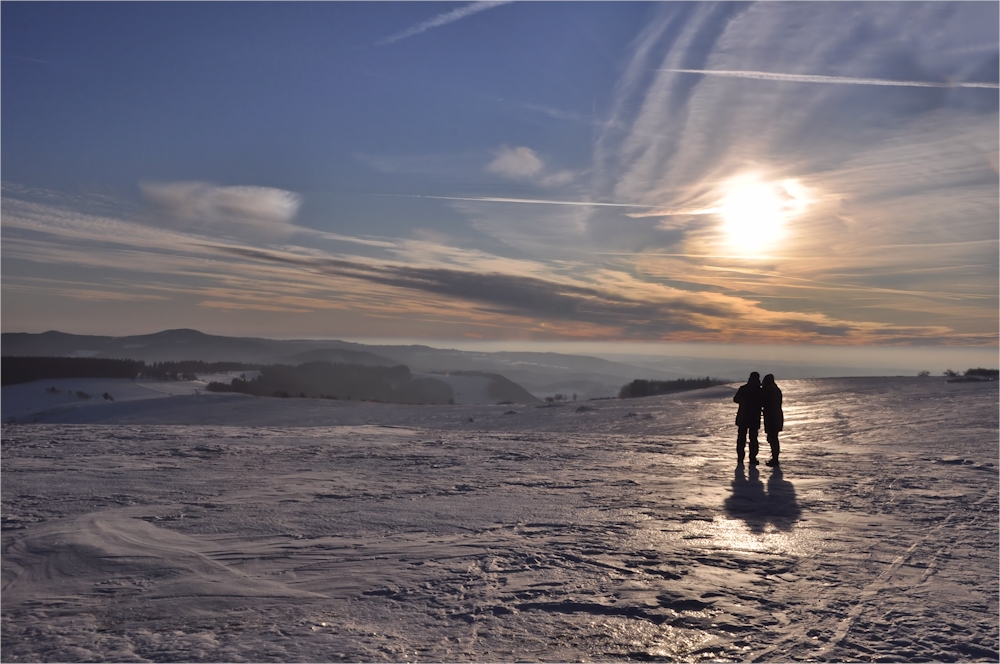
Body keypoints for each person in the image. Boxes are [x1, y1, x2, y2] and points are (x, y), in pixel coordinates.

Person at [733, 372, 762, 465]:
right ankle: (752, 458)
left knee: (741, 438)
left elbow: (736, 399)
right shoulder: (759, 390)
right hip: (754, 417)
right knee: (753, 438)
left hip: (743, 416)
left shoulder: (743, 388)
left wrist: (744, 401)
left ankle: (740, 457)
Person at [761, 373, 783, 466]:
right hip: (776, 416)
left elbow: (765, 402)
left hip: (772, 417)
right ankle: (775, 458)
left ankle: (775, 459)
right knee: (773, 437)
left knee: (772, 438)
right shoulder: (775, 389)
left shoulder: (769, 390)